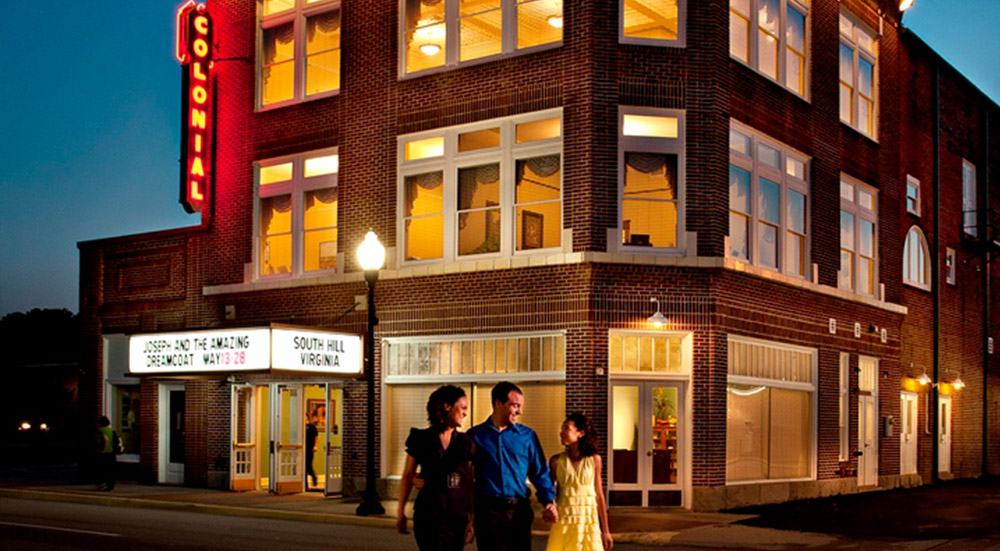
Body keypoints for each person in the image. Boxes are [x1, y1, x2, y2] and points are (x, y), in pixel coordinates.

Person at [468, 381, 558, 551]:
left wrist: (548, 502)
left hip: (519, 512)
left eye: (520, 406)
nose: (519, 411)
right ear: (498, 403)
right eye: (515, 405)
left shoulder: (528, 437)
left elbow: (540, 473)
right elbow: (460, 470)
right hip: (488, 513)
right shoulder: (475, 436)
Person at [397, 385, 476, 551]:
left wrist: (472, 518)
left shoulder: (465, 442)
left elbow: (469, 482)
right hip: (428, 515)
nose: (465, 413)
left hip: (456, 516)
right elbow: (407, 475)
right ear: (447, 406)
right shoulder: (421, 438)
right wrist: (400, 511)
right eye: (462, 408)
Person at [546, 413, 613, 551]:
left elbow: (599, 495)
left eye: (566, 428)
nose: (561, 433)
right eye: (561, 429)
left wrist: (606, 531)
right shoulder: (556, 461)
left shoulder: (594, 460)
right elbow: (549, 492)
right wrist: (548, 508)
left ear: (580, 433)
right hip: (564, 521)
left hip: (588, 521)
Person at [96, 416, 115, 491]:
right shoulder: (110, 430)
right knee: (110, 470)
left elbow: (105, 439)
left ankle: (103, 486)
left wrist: (103, 450)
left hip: (105, 453)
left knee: (102, 470)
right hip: (111, 452)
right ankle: (110, 486)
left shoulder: (102, 431)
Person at [305, 412, 319, 487]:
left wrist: (315, 446)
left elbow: (316, 437)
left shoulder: (312, 427)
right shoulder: (301, 427)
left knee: (308, 465)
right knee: (303, 466)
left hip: (310, 448)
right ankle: (305, 484)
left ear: (307, 417)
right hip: (303, 448)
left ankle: (314, 477)